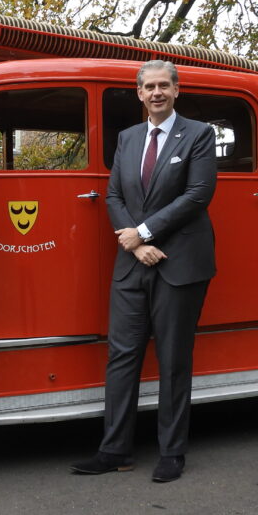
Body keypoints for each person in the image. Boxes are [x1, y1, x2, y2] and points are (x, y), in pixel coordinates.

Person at [71, 60, 217, 483]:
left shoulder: (199, 134)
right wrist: (135, 244)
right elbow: (114, 194)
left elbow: (197, 195)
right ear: (138, 93)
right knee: (121, 357)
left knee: (173, 361)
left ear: (176, 91)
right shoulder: (128, 138)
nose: (156, 93)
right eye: (148, 87)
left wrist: (144, 234)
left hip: (180, 265)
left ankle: (172, 453)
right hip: (132, 264)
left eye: (163, 86)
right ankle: (114, 450)